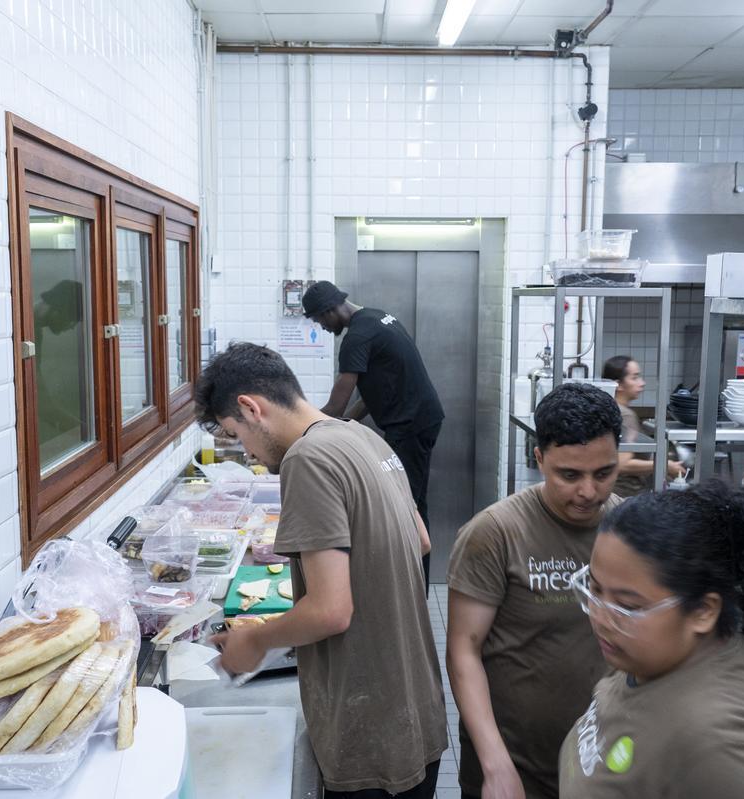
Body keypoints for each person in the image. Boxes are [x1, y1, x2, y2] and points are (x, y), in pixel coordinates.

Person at [196, 342, 447, 798]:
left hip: (368, 730)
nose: (248, 453)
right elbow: (421, 542)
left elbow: (332, 611)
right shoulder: (363, 435)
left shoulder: (307, 460)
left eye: (237, 435)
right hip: (417, 714)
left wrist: (255, 640)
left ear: (251, 408)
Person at [559, 480, 744, 798]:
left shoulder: (731, 750)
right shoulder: (648, 654)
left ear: (703, 611)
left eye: (628, 606)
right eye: (595, 589)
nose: (600, 618)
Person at [446, 383, 623, 799]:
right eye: (570, 475)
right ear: (539, 458)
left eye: (603, 473)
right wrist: (494, 764)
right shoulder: (495, 533)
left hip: (598, 763)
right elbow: (462, 650)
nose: (588, 492)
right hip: (515, 766)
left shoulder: (628, 529)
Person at [304, 280, 445, 584]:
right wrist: (346, 425)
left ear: (330, 310)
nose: (323, 328)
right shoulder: (378, 317)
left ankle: (412, 588)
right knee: (414, 502)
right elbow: (372, 392)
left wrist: (303, 433)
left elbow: (336, 405)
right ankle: (415, 583)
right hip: (418, 419)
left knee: (406, 506)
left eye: (319, 320)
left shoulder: (357, 337)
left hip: (410, 425)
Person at [601, 355, 682, 496]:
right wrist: (665, 466)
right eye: (635, 377)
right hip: (625, 493)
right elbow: (622, 464)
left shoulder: (609, 409)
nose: (642, 382)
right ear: (618, 385)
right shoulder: (625, 415)